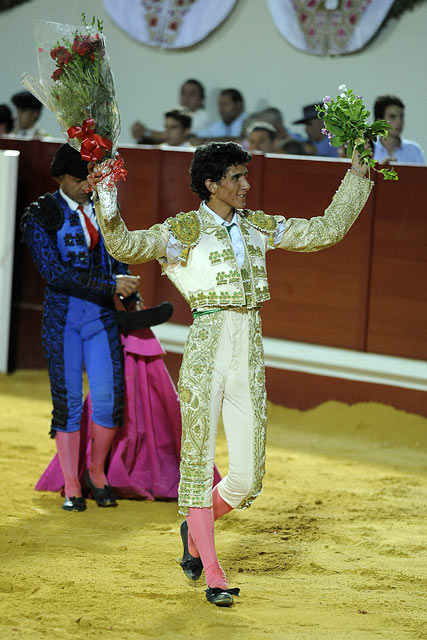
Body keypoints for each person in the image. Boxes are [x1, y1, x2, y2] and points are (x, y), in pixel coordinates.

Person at [88, 140, 373, 607]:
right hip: (207, 347)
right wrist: (105, 189)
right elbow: (125, 244)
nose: (246, 185)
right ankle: (214, 575)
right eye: (237, 177)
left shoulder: (258, 226)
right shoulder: (184, 231)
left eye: (245, 175)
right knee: (198, 462)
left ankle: (194, 528)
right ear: (211, 184)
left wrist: (358, 175)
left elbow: (325, 231)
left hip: (249, 346)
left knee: (246, 478)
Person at [20, 143, 160, 512]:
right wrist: (110, 286)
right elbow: (54, 272)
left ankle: (95, 473)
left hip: (100, 320)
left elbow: (116, 256)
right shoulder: (40, 214)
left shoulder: (103, 208)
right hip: (63, 321)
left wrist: (128, 289)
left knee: (108, 401)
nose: (87, 185)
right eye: (80, 179)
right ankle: (70, 483)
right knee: (67, 405)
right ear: (62, 178)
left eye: (91, 178)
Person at [373, 95, 425, 165]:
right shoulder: (369, 150)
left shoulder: (414, 151)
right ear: (379, 121)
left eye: (401, 116)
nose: (399, 121)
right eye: (392, 117)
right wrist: (379, 171)